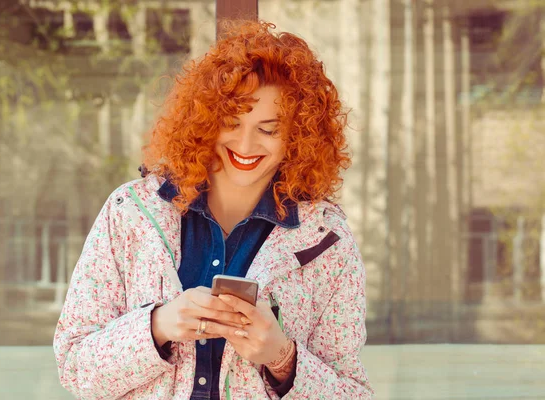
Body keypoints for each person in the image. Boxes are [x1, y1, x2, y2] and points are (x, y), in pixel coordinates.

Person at [53, 20, 373, 400]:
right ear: (206, 120)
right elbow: (75, 369)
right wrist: (158, 325)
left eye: (269, 129)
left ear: (300, 135)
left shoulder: (327, 242)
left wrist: (282, 359)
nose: (245, 143)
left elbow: (352, 394)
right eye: (232, 122)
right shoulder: (131, 212)